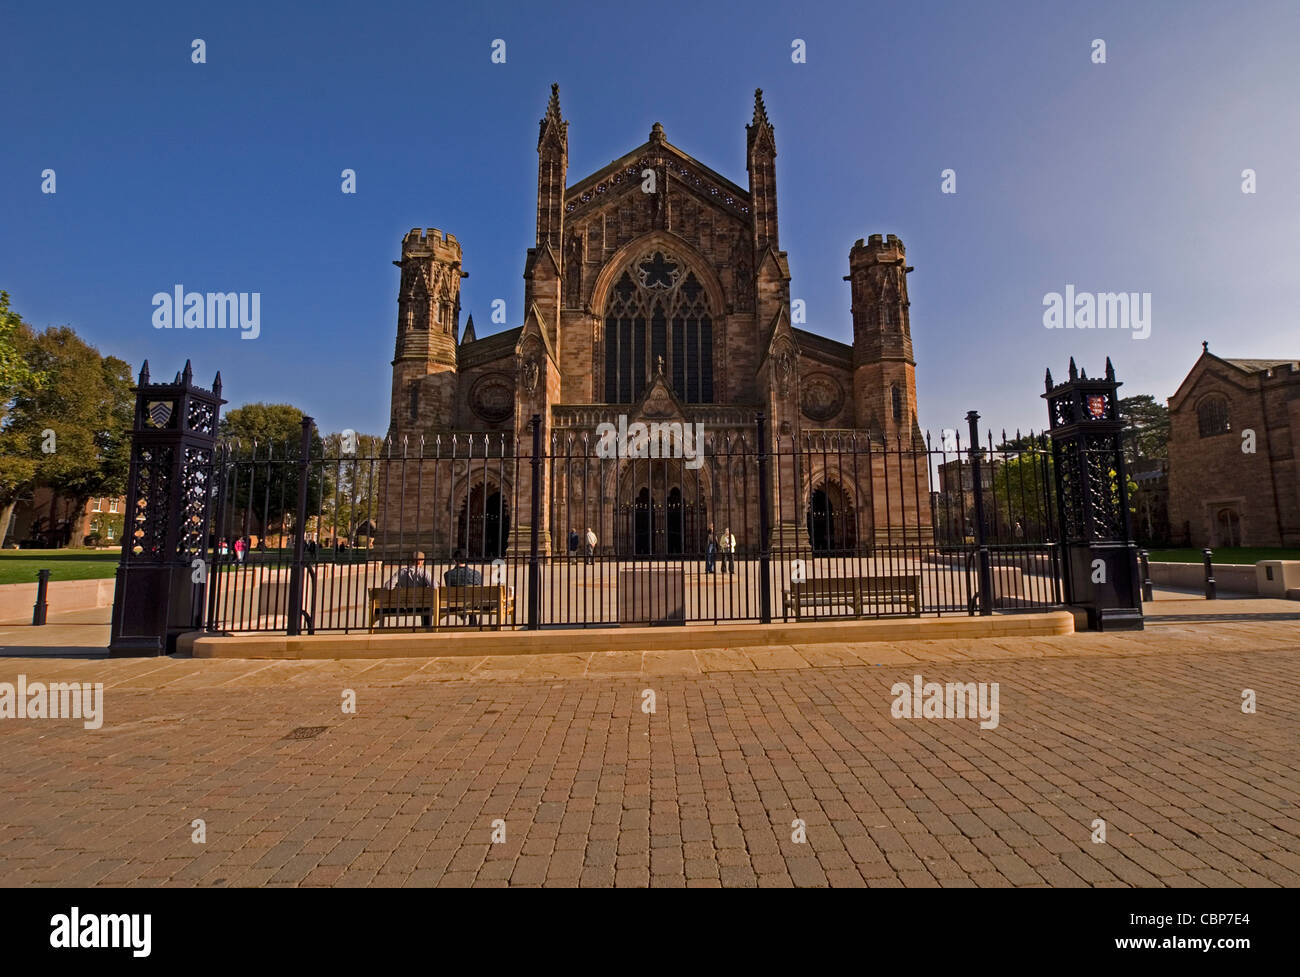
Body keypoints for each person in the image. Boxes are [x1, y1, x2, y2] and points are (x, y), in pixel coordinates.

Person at [385, 551, 434, 627]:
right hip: (422, 605)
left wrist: (398, 585)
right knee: (428, 607)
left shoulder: (401, 572)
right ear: (420, 562)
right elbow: (434, 586)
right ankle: (426, 628)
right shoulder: (424, 572)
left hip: (406, 605)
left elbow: (388, 586)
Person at [444, 548, 484, 625]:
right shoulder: (476, 574)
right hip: (472, 604)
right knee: (473, 599)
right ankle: (473, 623)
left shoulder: (447, 574)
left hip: (455, 605)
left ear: (454, 560)